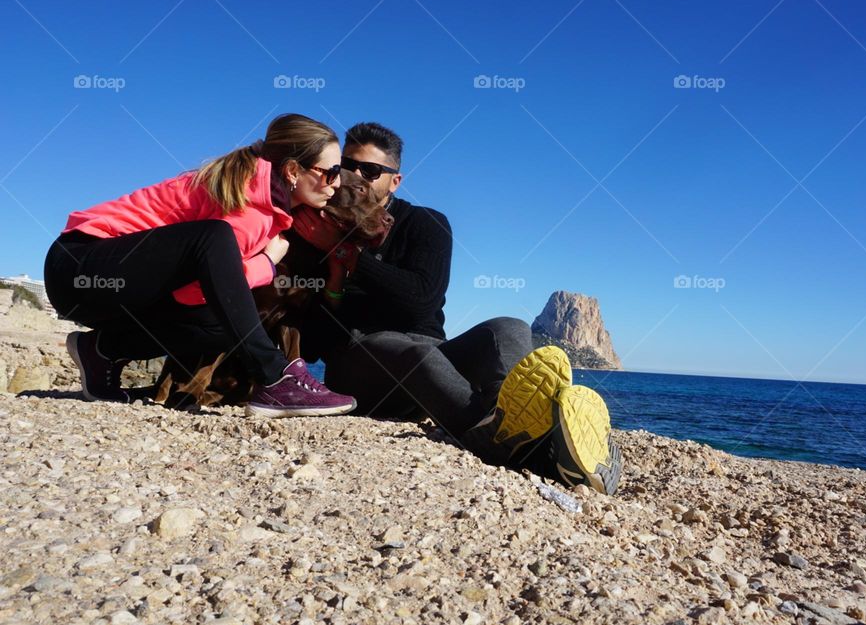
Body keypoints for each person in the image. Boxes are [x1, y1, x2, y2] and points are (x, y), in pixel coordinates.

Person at [296, 123, 623, 494]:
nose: (355, 176)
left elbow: (421, 299)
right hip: (360, 366)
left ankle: (515, 418)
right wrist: (333, 279)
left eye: (370, 170)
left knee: (510, 328)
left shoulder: (426, 223)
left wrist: (348, 255)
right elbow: (312, 341)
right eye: (346, 166)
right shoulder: (312, 225)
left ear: (395, 181)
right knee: (418, 353)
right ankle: (526, 446)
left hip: (429, 363)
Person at [43, 113, 356, 418]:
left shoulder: (265, 202)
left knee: (221, 325)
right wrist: (265, 264)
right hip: (78, 265)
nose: (337, 182)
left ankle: (100, 351)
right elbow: (199, 291)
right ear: (291, 171)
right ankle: (276, 377)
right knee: (214, 242)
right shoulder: (250, 206)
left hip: (108, 278)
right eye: (330, 172)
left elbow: (208, 295)